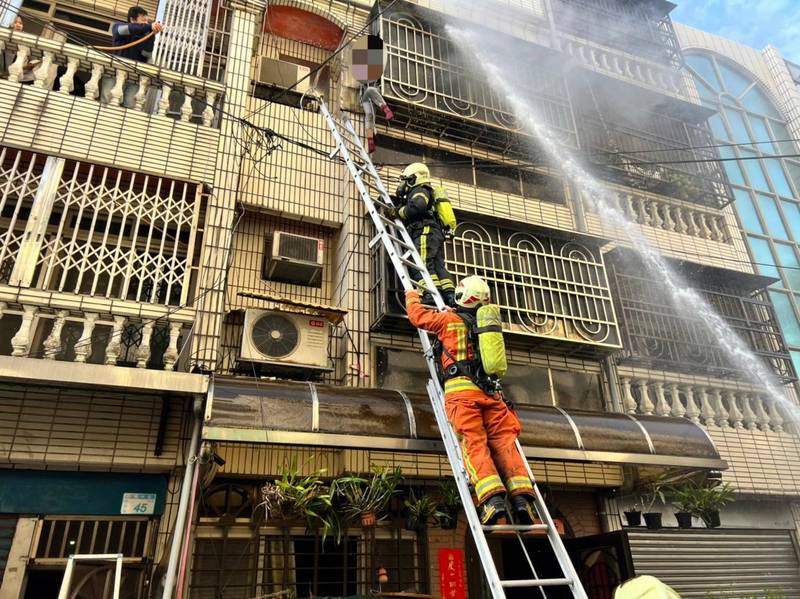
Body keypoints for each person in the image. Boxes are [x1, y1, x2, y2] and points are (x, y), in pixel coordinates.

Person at [405, 275, 536, 525]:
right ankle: (522, 500)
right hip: (491, 395)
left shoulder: (449, 320)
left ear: (462, 296)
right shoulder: (486, 326)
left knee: (474, 442)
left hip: (462, 395)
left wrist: (412, 295)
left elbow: (418, 317)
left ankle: (491, 501)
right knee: (503, 443)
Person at [389, 162, 456, 306]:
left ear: (415, 178)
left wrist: (398, 212)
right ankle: (449, 296)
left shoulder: (420, 189)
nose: (404, 185)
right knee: (438, 267)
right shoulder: (428, 190)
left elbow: (417, 206)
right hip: (434, 232)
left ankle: (430, 294)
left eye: (407, 180)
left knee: (422, 263)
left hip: (424, 230)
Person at [102, 7, 163, 107]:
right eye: (143, 20)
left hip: (133, 77)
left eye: (147, 21)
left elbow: (147, 53)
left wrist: (152, 35)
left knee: (130, 105)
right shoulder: (118, 27)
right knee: (107, 101)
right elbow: (131, 28)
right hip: (113, 73)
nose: (146, 23)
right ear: (132, 19)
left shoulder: (143, 36)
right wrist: (149, 27)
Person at [360, 82, 393, 153]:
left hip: (376, 90)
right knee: (369, 114)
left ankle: (387, 110)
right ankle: (370, 141)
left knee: (370, 90)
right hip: (366, 98)